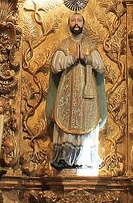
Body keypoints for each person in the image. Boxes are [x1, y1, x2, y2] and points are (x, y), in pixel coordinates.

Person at [46, 13, 107, 170]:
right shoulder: (64, 44)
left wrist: (86, 59)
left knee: (86, 122)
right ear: (69, 24)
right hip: (67, 93)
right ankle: (65, 157)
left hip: (87, 94)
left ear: (83, 24)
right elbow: (55, 66)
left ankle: (85, 158)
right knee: (66, 121)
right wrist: (72, 58)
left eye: (79, 20)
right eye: (73, 20)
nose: (76, 23)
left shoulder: (90, 45)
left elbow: (100, 67)